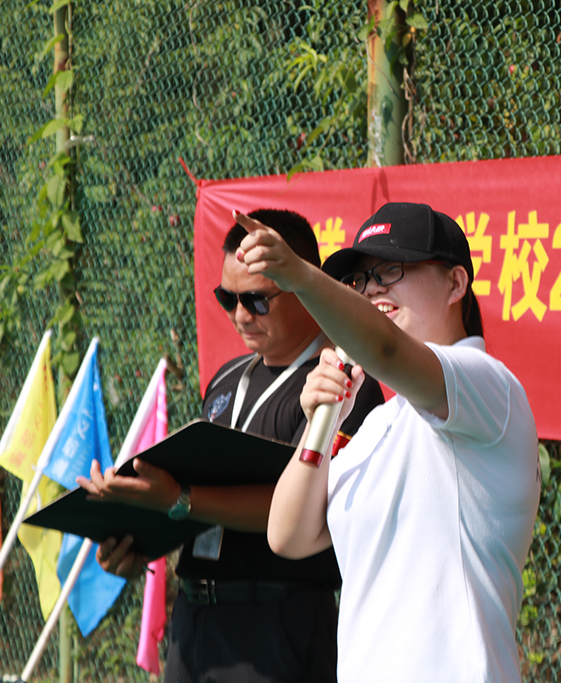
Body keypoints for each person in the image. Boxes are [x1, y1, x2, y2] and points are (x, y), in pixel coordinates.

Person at [236, 202, 541, 683]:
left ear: (456, 283)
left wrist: (299, 276)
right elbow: (287, 535)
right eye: (360, 279)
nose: (373, 288)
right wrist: (320, 422)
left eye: (392, 269)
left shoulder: (487, 385)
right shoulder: (378, 425)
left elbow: (385, 347)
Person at [77, 209, 383, 683]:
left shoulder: (341, 383)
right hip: (193, 619)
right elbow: (204, 500)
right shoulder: (226, 378)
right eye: (228, 298)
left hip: (277, 621)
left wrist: (180, 499)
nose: (240, 315)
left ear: (304, 285)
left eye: (256, 300)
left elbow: (304, 510)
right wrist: (139, 538)